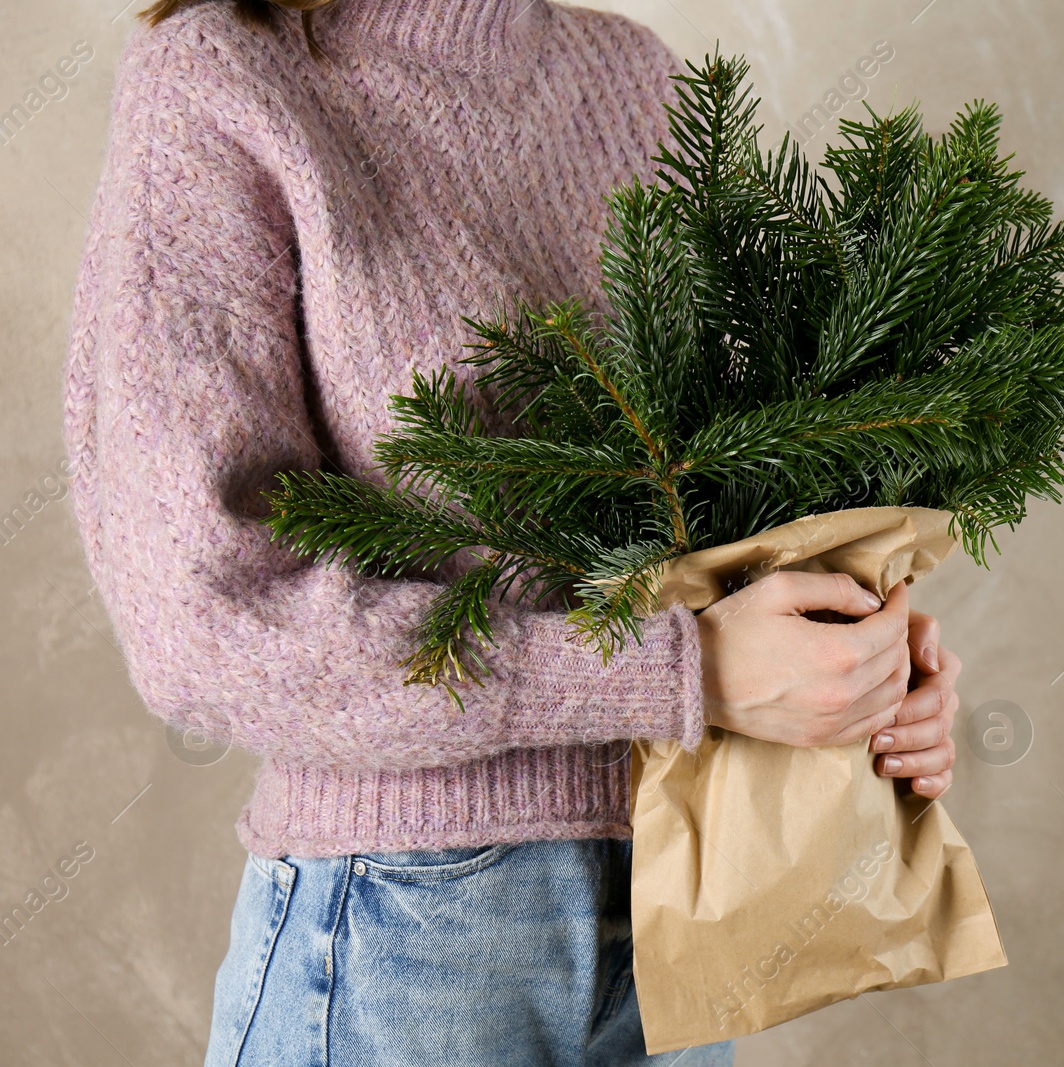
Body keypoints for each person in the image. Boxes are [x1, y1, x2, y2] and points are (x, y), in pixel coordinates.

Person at [60, 0, 962, 1063]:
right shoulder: (224, 79)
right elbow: (207, 617)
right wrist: (674, 668)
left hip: (687, 892)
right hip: (413, 931)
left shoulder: (634, 79)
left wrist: (861, 659)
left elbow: (730, 494)